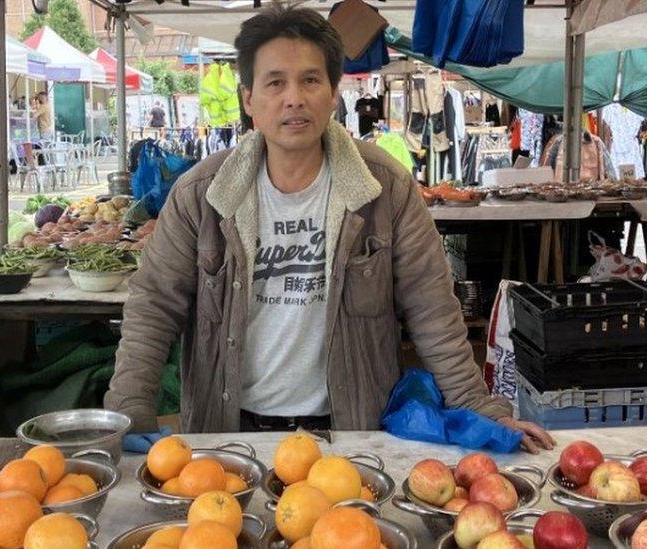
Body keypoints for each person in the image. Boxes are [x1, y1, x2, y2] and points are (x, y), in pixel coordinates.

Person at [104, 3, 555, 454]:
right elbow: (153, 308)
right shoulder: (202, 195)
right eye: (275, 82)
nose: (294, 98)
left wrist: (479, 407)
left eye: (310, 80)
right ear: (248, 99)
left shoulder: (386, 188)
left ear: (334, 93)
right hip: (227, 434)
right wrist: (130, 409)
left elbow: (431, 308)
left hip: (350, 434)